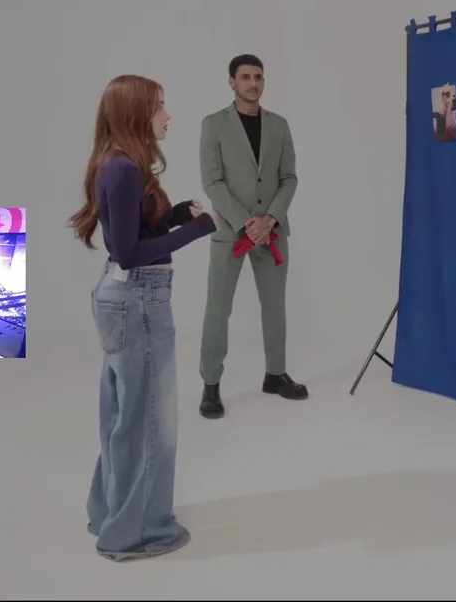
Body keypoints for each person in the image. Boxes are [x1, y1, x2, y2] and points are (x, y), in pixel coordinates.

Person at [67, 74, 218, 561]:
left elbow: (127, 234)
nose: (167, 116)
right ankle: (137, 533)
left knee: (125, 417)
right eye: (159, 107)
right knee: (150, 421)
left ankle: (109, 513)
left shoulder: (116, 164)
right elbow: (130, 252)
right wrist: (198, 229)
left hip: (122, 298)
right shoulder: (124, 169)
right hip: (138, 300)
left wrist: (174, 215)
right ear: (137, 114)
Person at [197, 54, 307, 419]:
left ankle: (275, 374)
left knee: (275, 306)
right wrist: (247, 222)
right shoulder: (214, 124)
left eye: (258, 76)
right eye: (245, 77)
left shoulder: (279, 125)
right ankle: (211, 384)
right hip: (232, 232)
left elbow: (289, 178)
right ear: (232, 82)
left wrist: (271, 219)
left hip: (272, 233)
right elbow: (212, 181)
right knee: (218, 308)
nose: (253, 83)